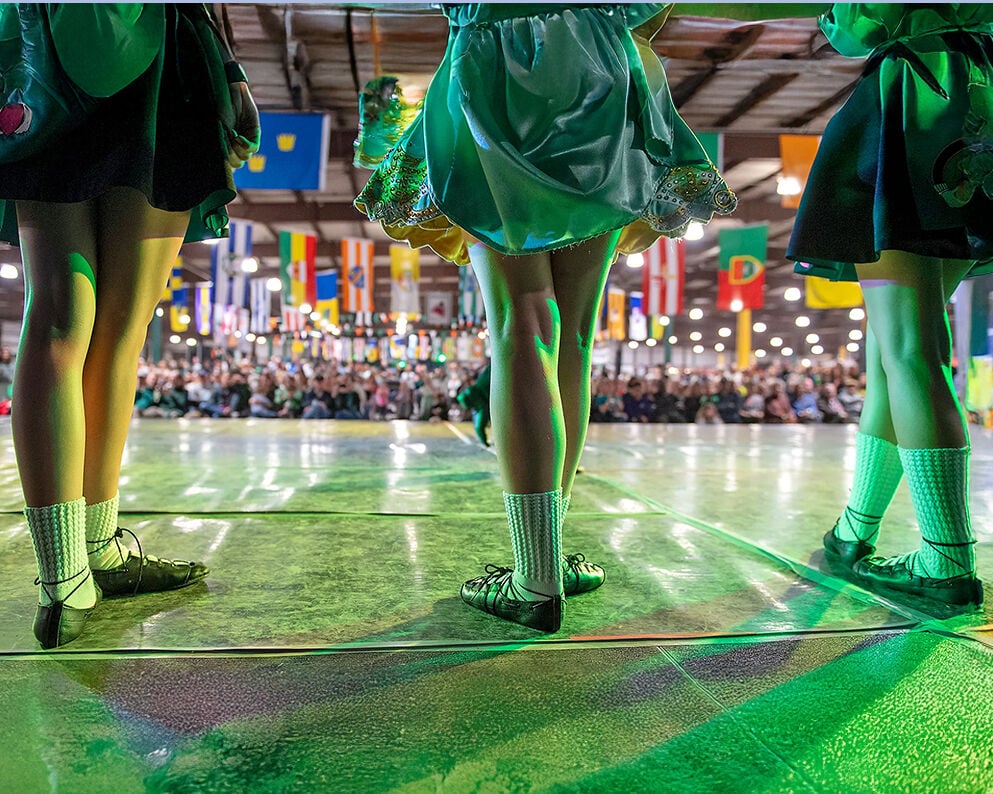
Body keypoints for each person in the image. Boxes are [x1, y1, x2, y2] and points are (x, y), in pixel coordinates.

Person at [355, 4, 735, 631]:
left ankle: (534, 578)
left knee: (520, 327)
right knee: (575, 339)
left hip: (492, 78)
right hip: (603, 81)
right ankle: (550, 559)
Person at [0, 4, 260, 647]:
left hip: (44, 45)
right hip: (156, 57)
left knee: (55, 320)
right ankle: (97, 545)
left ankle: (65, 579)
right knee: (119, 332)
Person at [782, 4, 991, 607]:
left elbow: (859, 23)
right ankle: (855, 530)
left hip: (917, 100)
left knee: (908, 351)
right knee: (891, 352)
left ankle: (946, 559)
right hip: (977, 102)